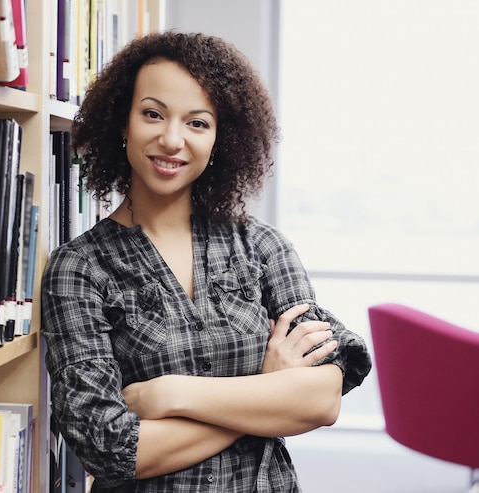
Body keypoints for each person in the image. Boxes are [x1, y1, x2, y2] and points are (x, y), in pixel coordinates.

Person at [41, 30, 372, 492]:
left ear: (221, 137)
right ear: (123, 121)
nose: (171, 139)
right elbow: (110, 450)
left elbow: (322, 399)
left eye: (197, 123)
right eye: (152, 114)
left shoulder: (261, 247)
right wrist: (266, 391)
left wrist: (169, 394)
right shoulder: (78, 269)